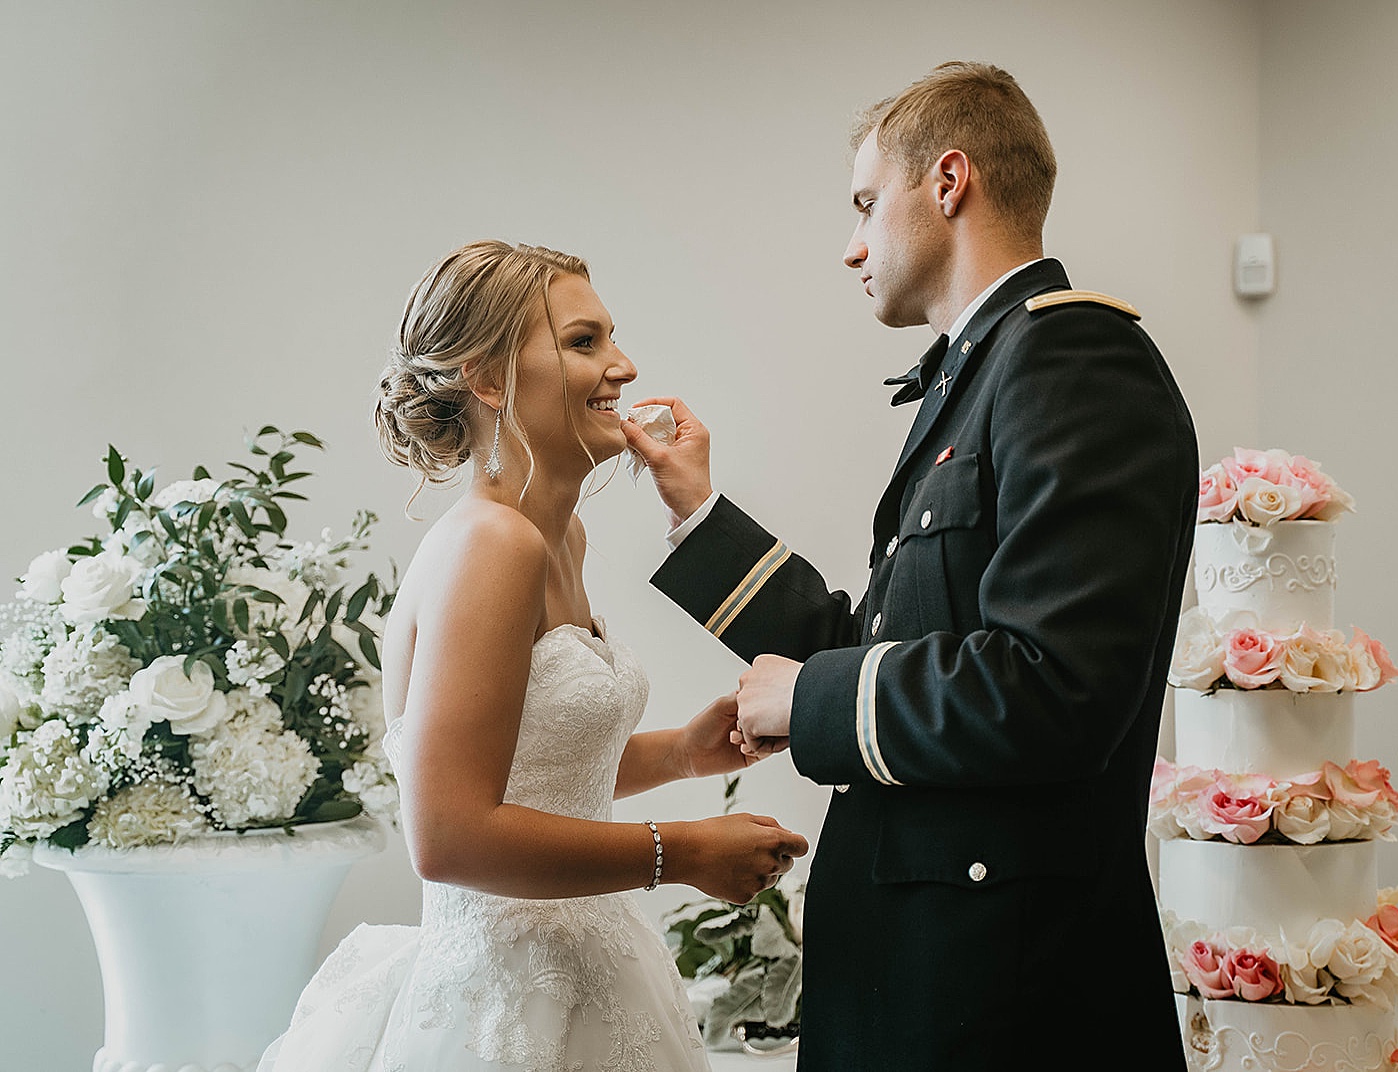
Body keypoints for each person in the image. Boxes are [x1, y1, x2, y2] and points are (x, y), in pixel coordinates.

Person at [622, 62, 1196, 1068]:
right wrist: (698, 512)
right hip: (930, 977)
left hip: (1003, 1001)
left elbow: (1054, 687)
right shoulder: (983, 373)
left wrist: (808, 702)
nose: (849, 246)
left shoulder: (1072, 362)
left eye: (862, 204)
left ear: (948, 180)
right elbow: (891, 647)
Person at [257, 239, 809, 1071]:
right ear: (486, 378)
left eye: (611, 338)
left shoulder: (560, 537)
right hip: (502, 1003)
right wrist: (683, 851)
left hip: (593, 971)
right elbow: (448, 834)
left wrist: (681, 754)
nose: (622, 366)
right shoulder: (492, 546)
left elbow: (527, 768)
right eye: (584, 341)